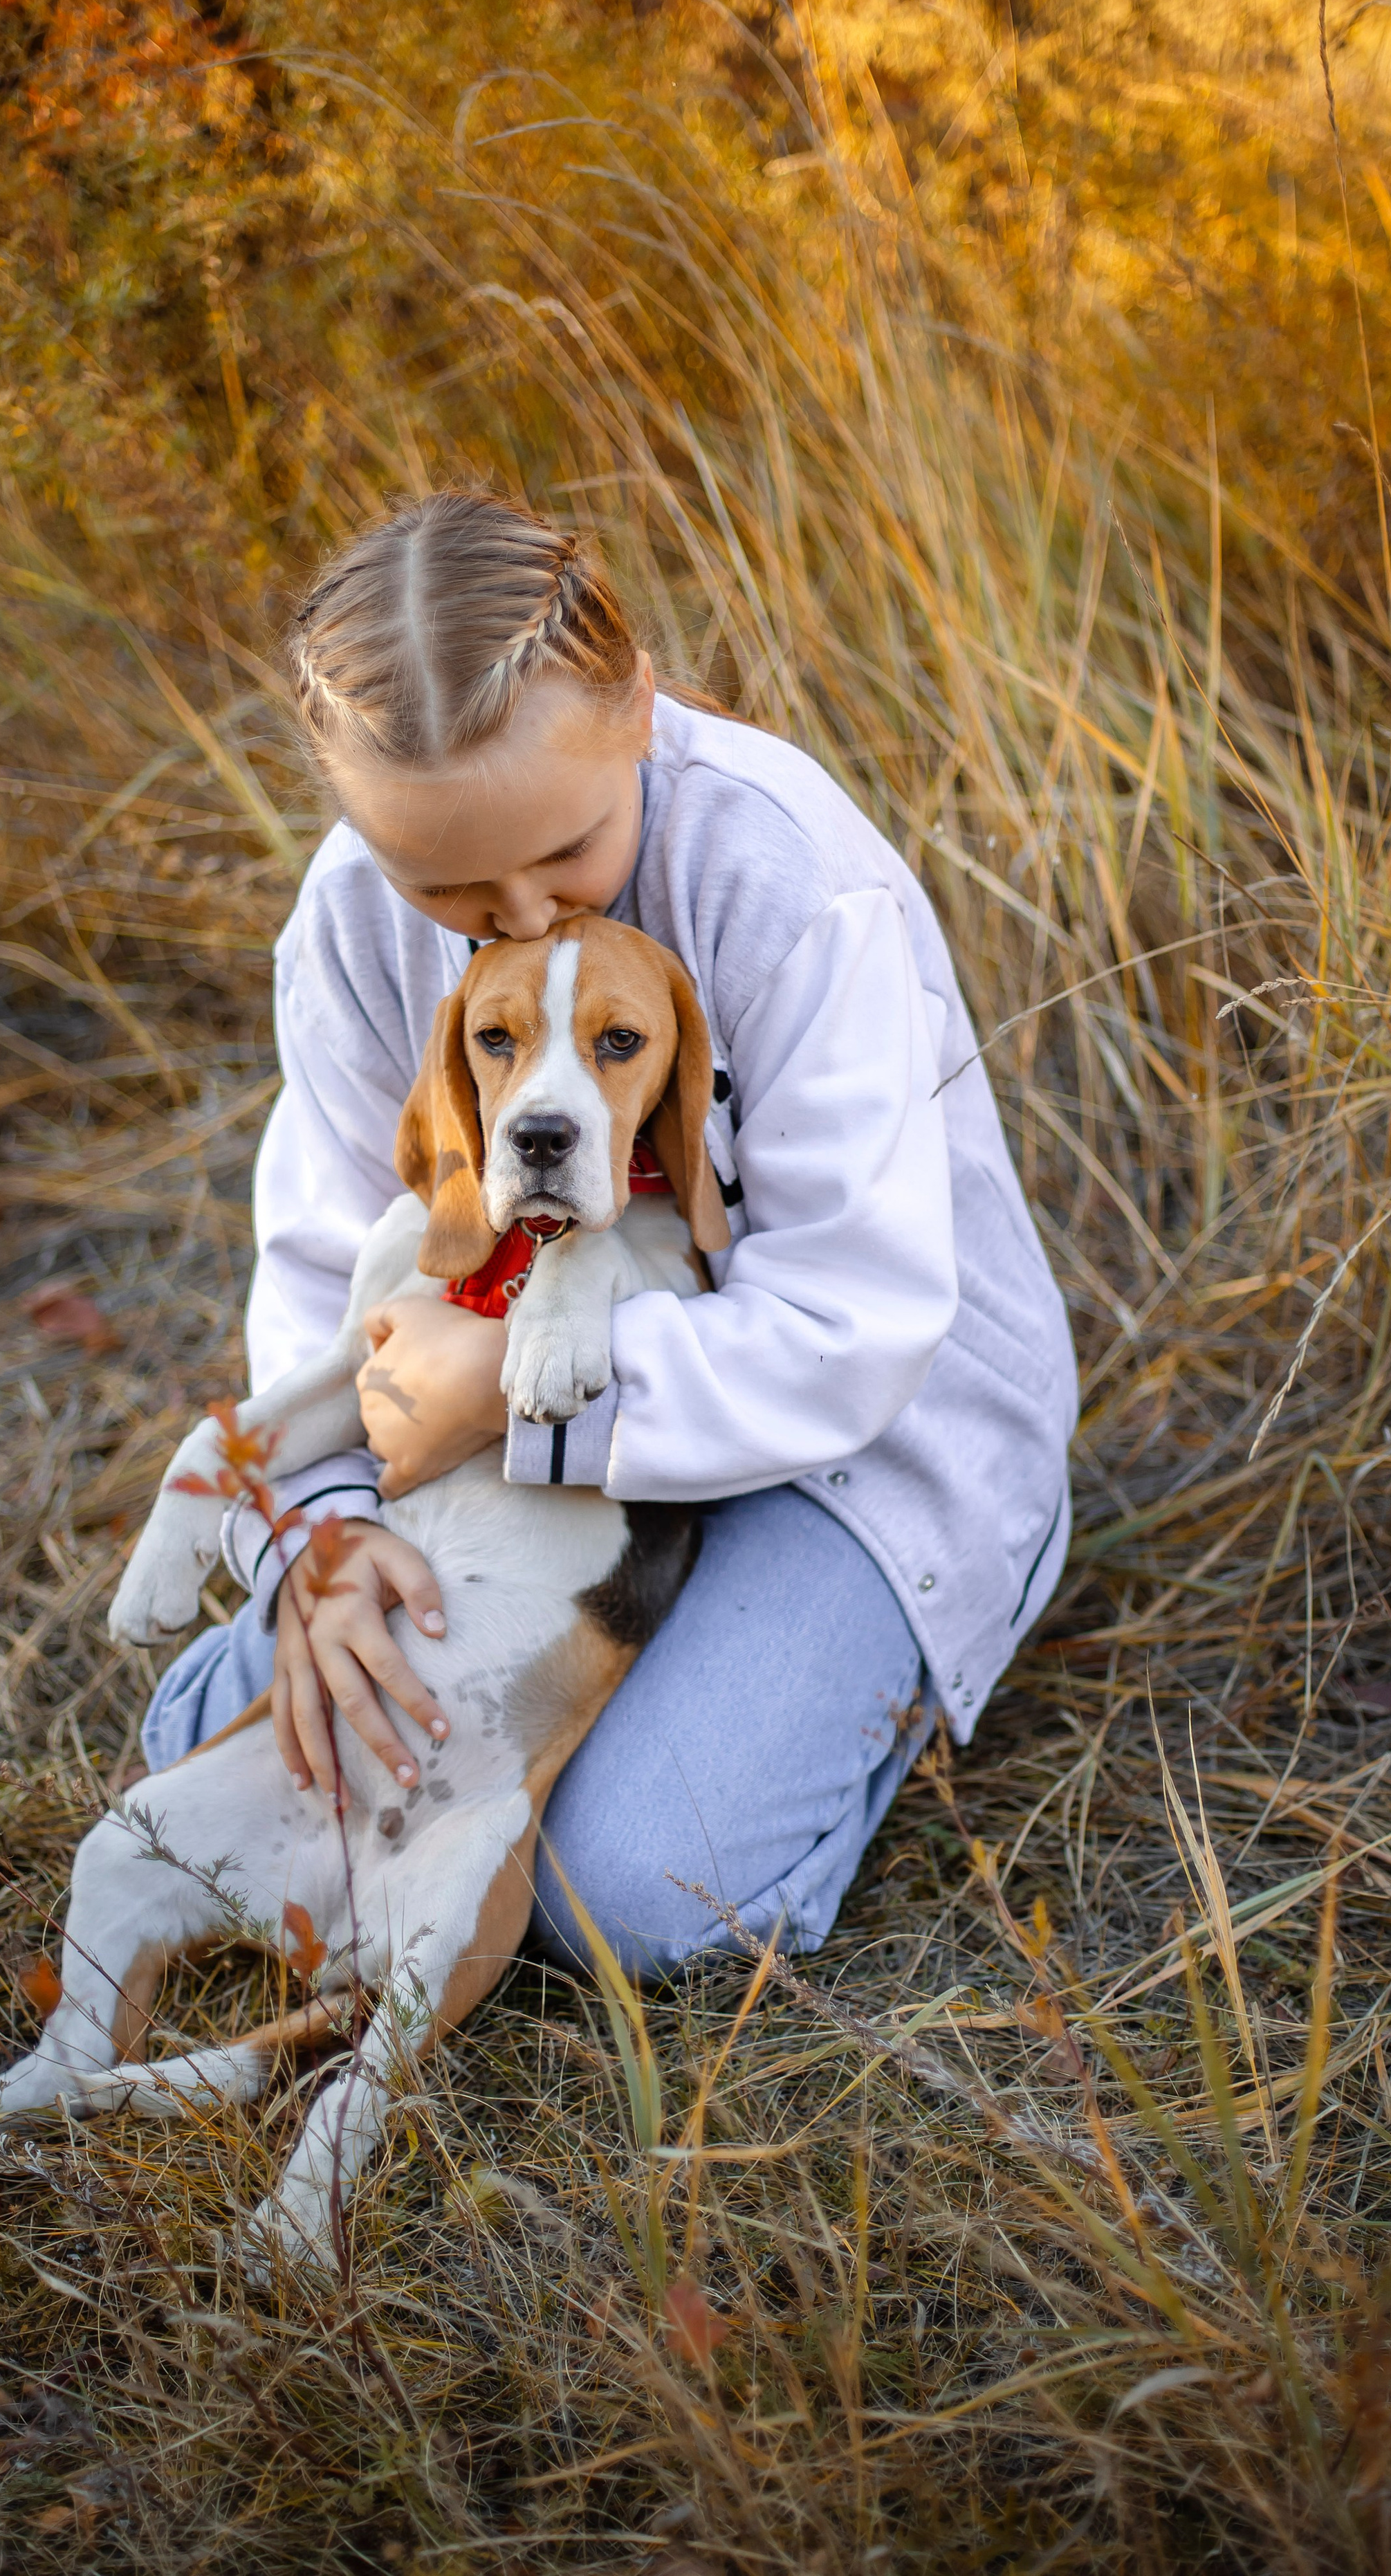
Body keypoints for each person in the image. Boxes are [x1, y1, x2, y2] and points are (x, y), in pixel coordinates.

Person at [138, 491, 1077, 1977]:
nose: (513, 912)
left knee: (622, 1897)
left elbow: (855, 1323)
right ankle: (553, 1728)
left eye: (566, 852)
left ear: (636, 708)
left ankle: (804, 1690)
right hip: (510, 1461)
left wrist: (513, 1408)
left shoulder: (780, 878)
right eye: (444, 888)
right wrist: (324, 1536)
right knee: (207, 1737)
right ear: (354, 817)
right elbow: (322, 1258)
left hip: (849, 1446)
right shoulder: (341, 922)